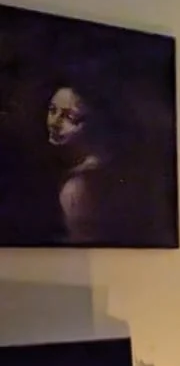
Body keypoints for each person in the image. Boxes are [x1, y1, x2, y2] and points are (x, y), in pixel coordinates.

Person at [46, 80, 119, 244]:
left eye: (70, 117)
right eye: (52, 110)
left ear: (96, 123)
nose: (54, 123)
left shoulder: (78, 187)